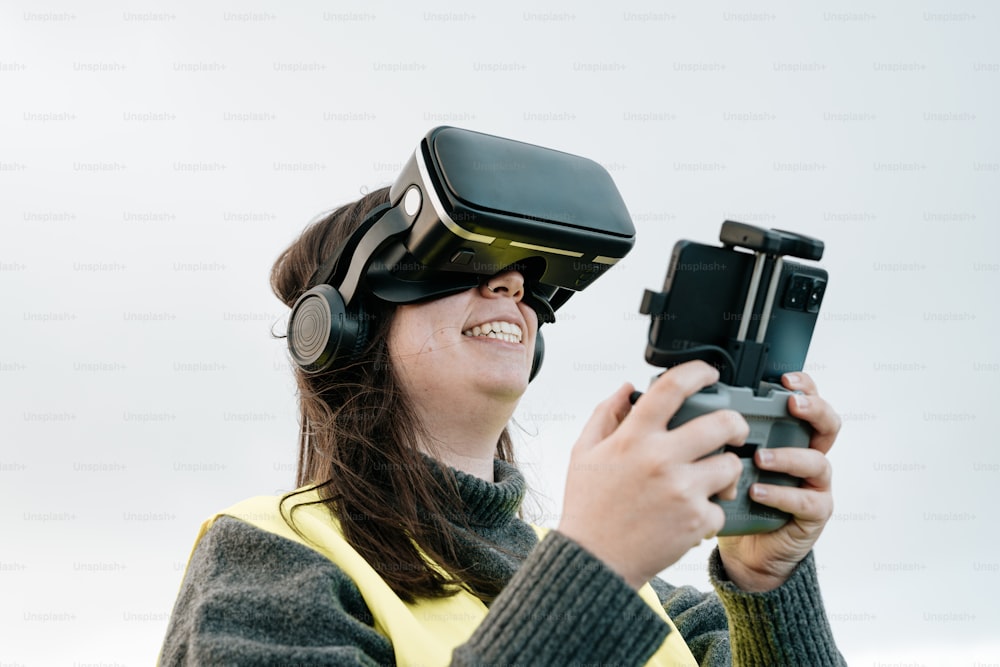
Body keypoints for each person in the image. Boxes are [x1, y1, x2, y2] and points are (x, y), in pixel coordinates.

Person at [159, 187, 845, 666]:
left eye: (523, 277)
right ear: (342, 321)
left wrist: (768, 588)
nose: (513, 287)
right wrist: (595, 570)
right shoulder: (270, 560)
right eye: (461, 260)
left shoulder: (666, 610)